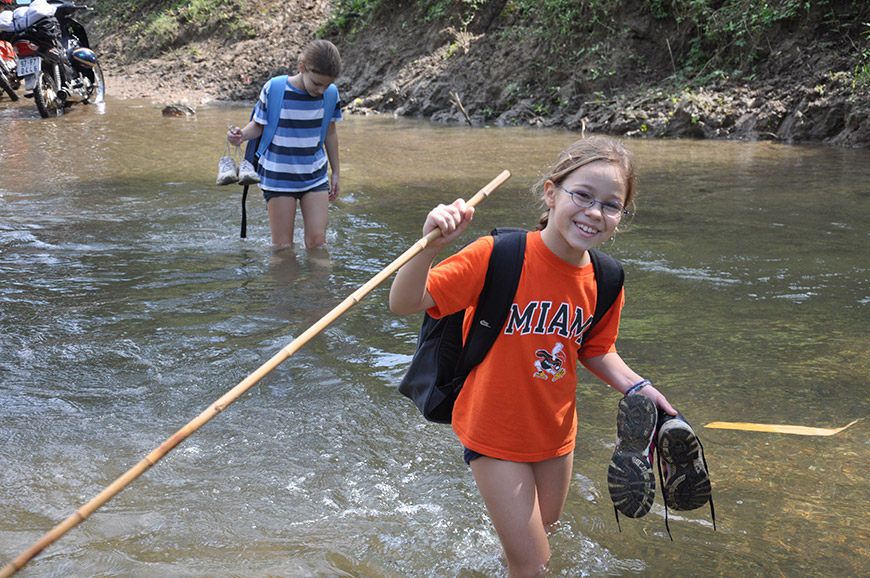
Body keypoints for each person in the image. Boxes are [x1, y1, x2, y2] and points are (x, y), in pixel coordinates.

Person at [389, 136, 679, 577]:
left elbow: (597, 349)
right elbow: (405, 301)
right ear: (551, 192)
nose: (594, 212)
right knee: (534, 562)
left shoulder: (606, 277)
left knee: (544, 539)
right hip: (494, 431)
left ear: (621, 215)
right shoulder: (497, 256)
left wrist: (640, 387)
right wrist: (430, 246)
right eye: (582, 195)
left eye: (611, 204)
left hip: (555, 435)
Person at [227, 39, 342, 248]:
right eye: (317, 83)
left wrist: (336, 172)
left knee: (318, 243)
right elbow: (259, 125)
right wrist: (241, 135)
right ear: (302, 68)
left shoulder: (330, 94)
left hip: (315, 176)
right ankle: (284, 281)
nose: (321, 90)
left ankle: (320, 282)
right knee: (282, 247)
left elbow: (330, 134)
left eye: (327, 85)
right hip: (278, 177)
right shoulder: (275, 88)